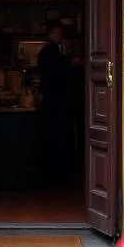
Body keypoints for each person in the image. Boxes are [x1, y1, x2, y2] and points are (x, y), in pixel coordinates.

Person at [36, 24, 79, 186]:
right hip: (57, 102)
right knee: (59, 137)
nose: (59, 35)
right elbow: (57, 76)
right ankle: (60, 176)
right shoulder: (51, 51)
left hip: (51, 100)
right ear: (50, 34)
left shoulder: (48, 51)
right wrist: (71, 66)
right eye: (57, 32)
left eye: (61, 33)